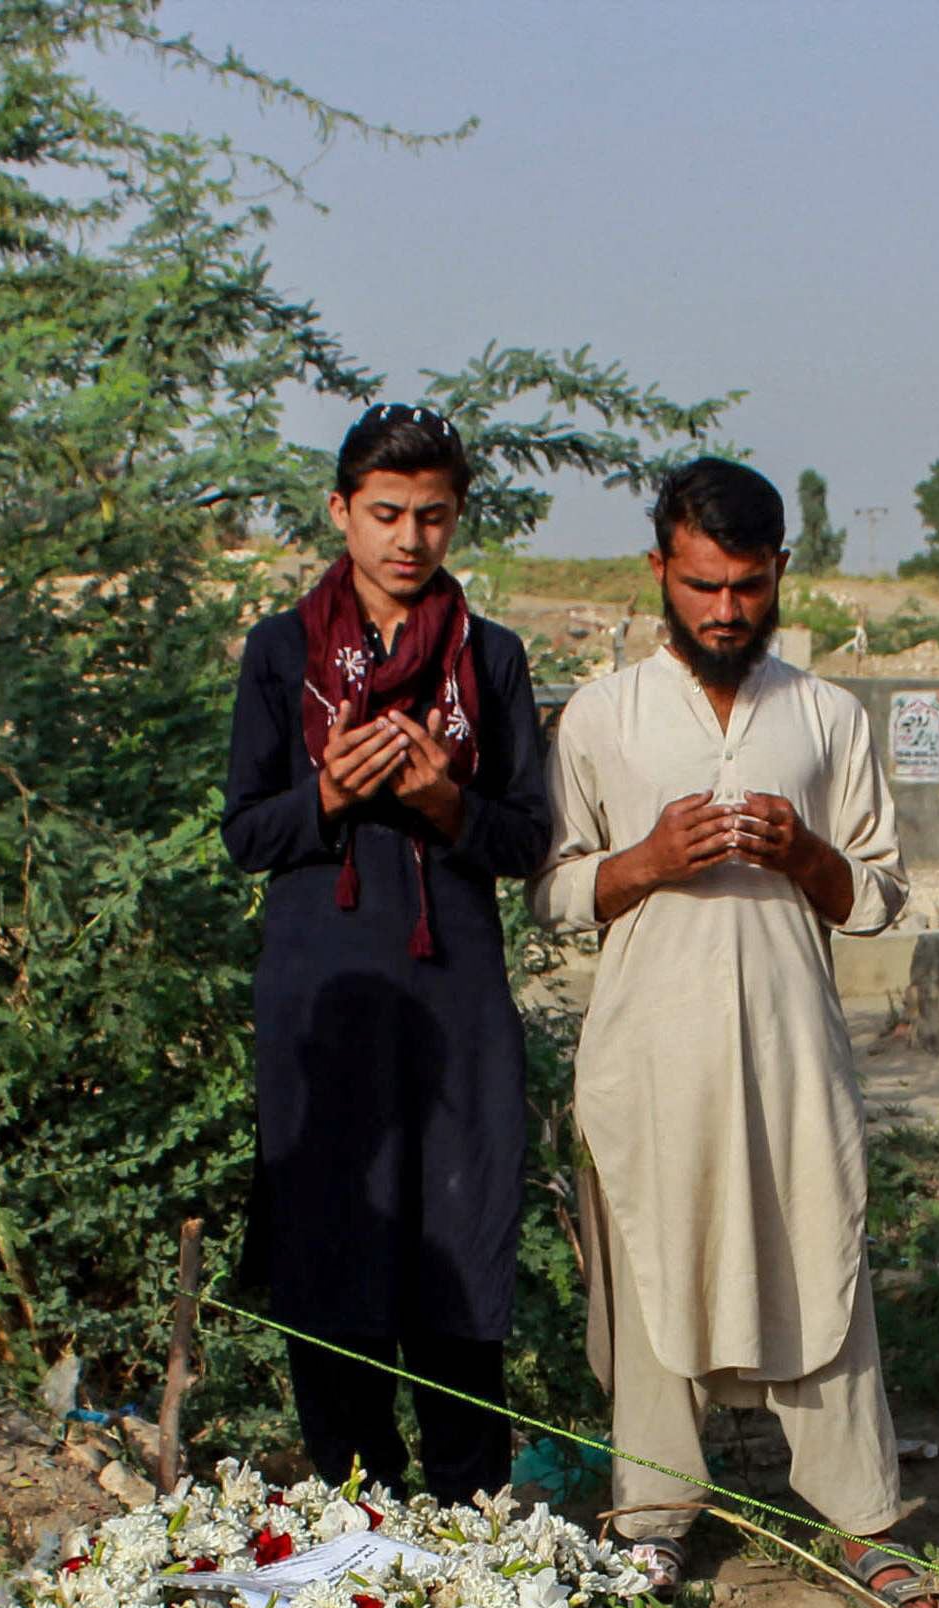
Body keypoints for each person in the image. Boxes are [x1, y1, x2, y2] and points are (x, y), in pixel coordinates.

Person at [538, 461, 939, 1608]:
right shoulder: (603, 716)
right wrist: (645, 863)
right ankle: (653, 1516)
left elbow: (874, 892)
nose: (725, 611)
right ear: (660, 572)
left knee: (818, 1244)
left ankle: (860, 1512)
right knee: (656, 1260)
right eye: (704, 585)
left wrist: (804, 852)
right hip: (648, 1052)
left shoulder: (823, 715)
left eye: (749, 587)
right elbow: (555, 891)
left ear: (778, 578)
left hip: (787, 1041)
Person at [223, 404, 551, 1501]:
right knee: (330, 1237)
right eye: (385, 514)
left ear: (456, 518)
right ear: (340, 511)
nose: (408, 540)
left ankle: (470, 1520)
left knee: (459, 1235)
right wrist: (329, 789)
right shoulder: (282, 653)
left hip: (453, 996)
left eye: (432, 516)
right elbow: (245, 833)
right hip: (325, 995)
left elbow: (525, 837)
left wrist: (438, 798)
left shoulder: (489, 659)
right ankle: (353, 1505)